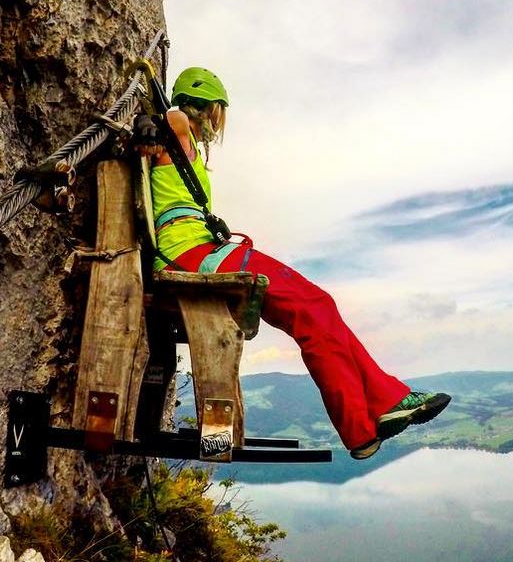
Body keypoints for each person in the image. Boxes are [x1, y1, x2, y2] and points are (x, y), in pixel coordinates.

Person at [140, 66, 451, 459]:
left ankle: (384, 404)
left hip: (197, 251)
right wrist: (155, 120)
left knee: (319, 307)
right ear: (207, 107)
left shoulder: (187, 150)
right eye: (217, 112)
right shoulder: (178, 125)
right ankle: (365, 422)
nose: (216, 125)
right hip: (192, 254)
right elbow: (174, 117)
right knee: (315, 306)